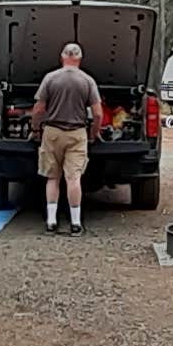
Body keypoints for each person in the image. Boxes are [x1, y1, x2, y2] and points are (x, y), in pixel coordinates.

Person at [33, 40, 105, 236]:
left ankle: (51, 221)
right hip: (77, 134)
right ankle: (75, 223)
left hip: (52, 132)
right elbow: (98, 114)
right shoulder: (87, 81)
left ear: (62, 57)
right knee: (73, 179)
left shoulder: (50, 78)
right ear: (80, 59)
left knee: (52, 178)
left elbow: (39, 109)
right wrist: (94, 133)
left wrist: (36, 129)